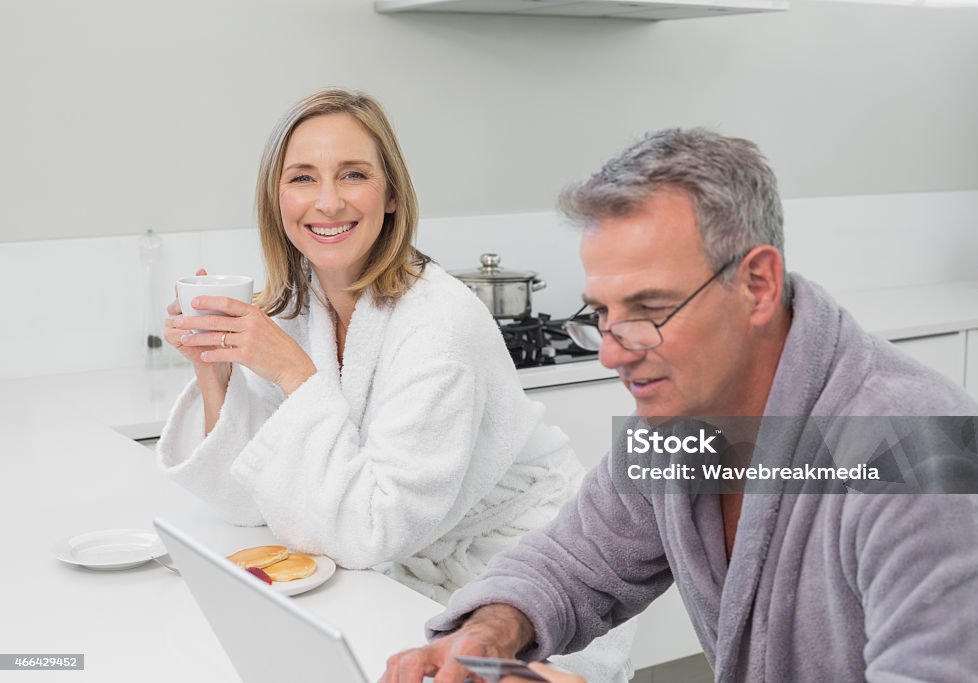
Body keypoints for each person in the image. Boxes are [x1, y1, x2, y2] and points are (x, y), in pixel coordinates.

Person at [381, 128, 978, 682]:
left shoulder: (930, 459)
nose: (611, 354)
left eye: (652, 310)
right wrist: (492, 631)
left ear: (759, 284)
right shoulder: (691, 423)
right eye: (602, 314)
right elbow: (576, 562)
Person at [156, 88, 634, 682]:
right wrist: (215, 369)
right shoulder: (297, 309)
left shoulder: (440, 323)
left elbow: (372, 531)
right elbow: (250, 498)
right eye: (302, 178)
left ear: (390, 195)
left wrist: (291, 373)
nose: (327, 202)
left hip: (511, 587)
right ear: (276, 199)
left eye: (352, 174)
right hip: (391, 575)